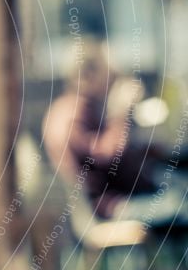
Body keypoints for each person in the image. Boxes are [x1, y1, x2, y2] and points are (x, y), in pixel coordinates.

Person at [43, 39, 186, 226]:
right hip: (110, 207)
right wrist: (120, 113)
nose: (114, 77)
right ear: (88, 76)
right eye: (108, 72)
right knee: (181, 207)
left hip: (119, 197)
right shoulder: (72, 115)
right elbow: (109, 158)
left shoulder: (79, 107)